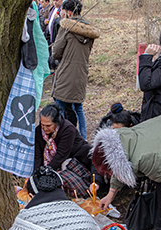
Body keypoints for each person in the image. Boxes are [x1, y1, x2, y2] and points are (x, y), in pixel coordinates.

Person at [52, 0, 99, 139]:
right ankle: (83, 138)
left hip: (66, 72)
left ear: (68, 12)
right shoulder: (89, 31)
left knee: (59, 105)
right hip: (81, 73)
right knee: (78, 107)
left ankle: (59, 136)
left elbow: (56, 52)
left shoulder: (66, 28)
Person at [34, 104, 93, 197]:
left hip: (75, 160)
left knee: (65, 175)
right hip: (56, 163)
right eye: (42, 125)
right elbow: (38, 155)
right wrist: (36, 174)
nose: (45, 129)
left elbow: (61, 155)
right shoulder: (38, 132)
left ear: (56, 122)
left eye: (48, 125)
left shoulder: (68, 129)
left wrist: (46, 172)